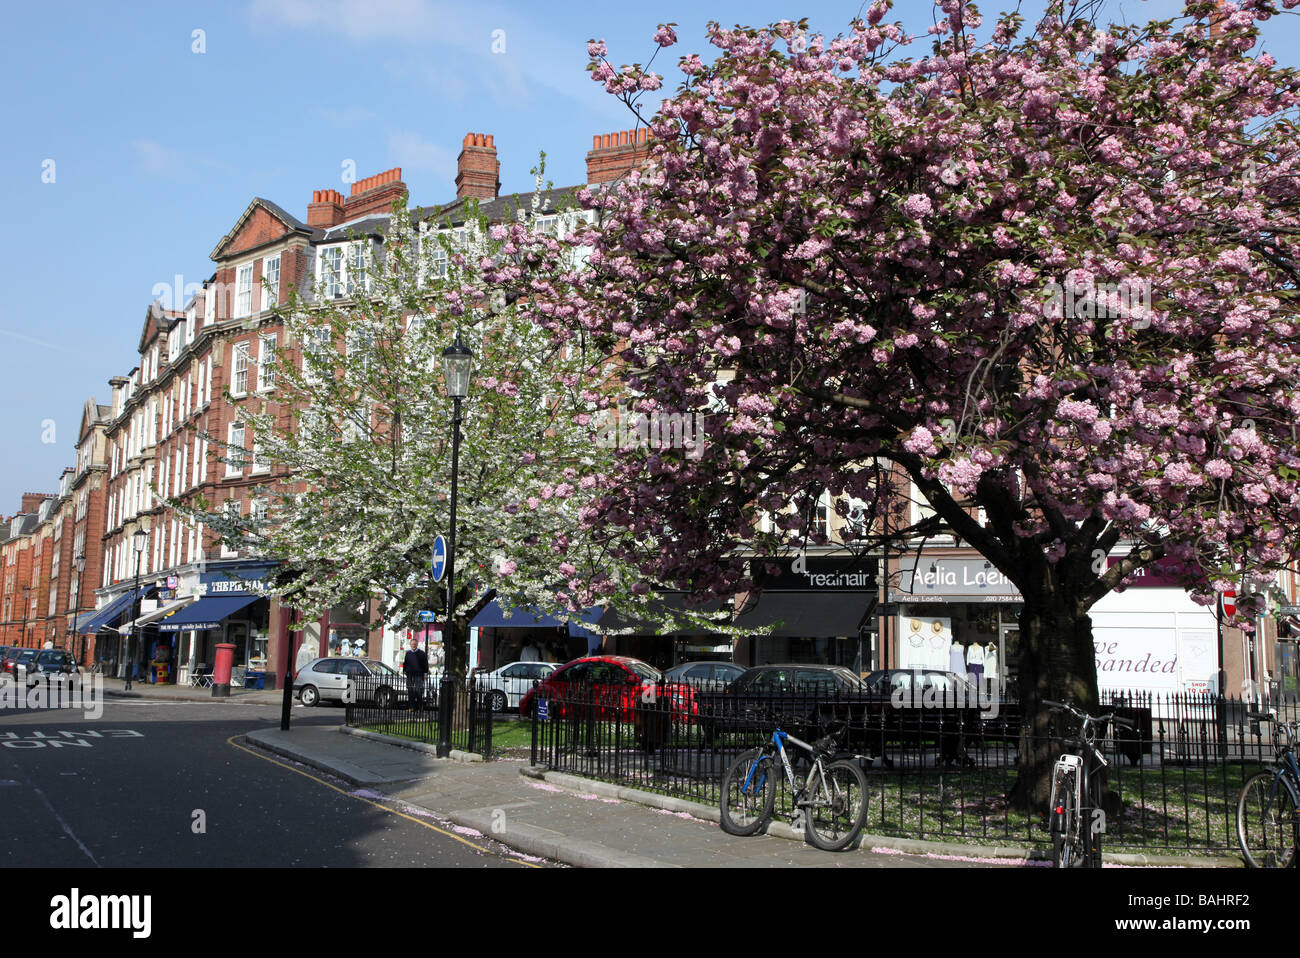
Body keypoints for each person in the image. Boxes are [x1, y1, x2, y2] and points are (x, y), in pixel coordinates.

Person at [403, 637, 429, 710]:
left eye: (414, 644)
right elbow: (405, 663)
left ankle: (420, 706)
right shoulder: (408, 653)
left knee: (418, 690)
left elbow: (425, 664)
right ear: (410, 645)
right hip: (409, 674)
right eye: (412, 644)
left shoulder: (421, 653)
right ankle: (411, 707)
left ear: (417, 644)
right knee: (410, 691)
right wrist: (404, 670)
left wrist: (425, 673)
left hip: (419, 674)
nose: (413, 645)